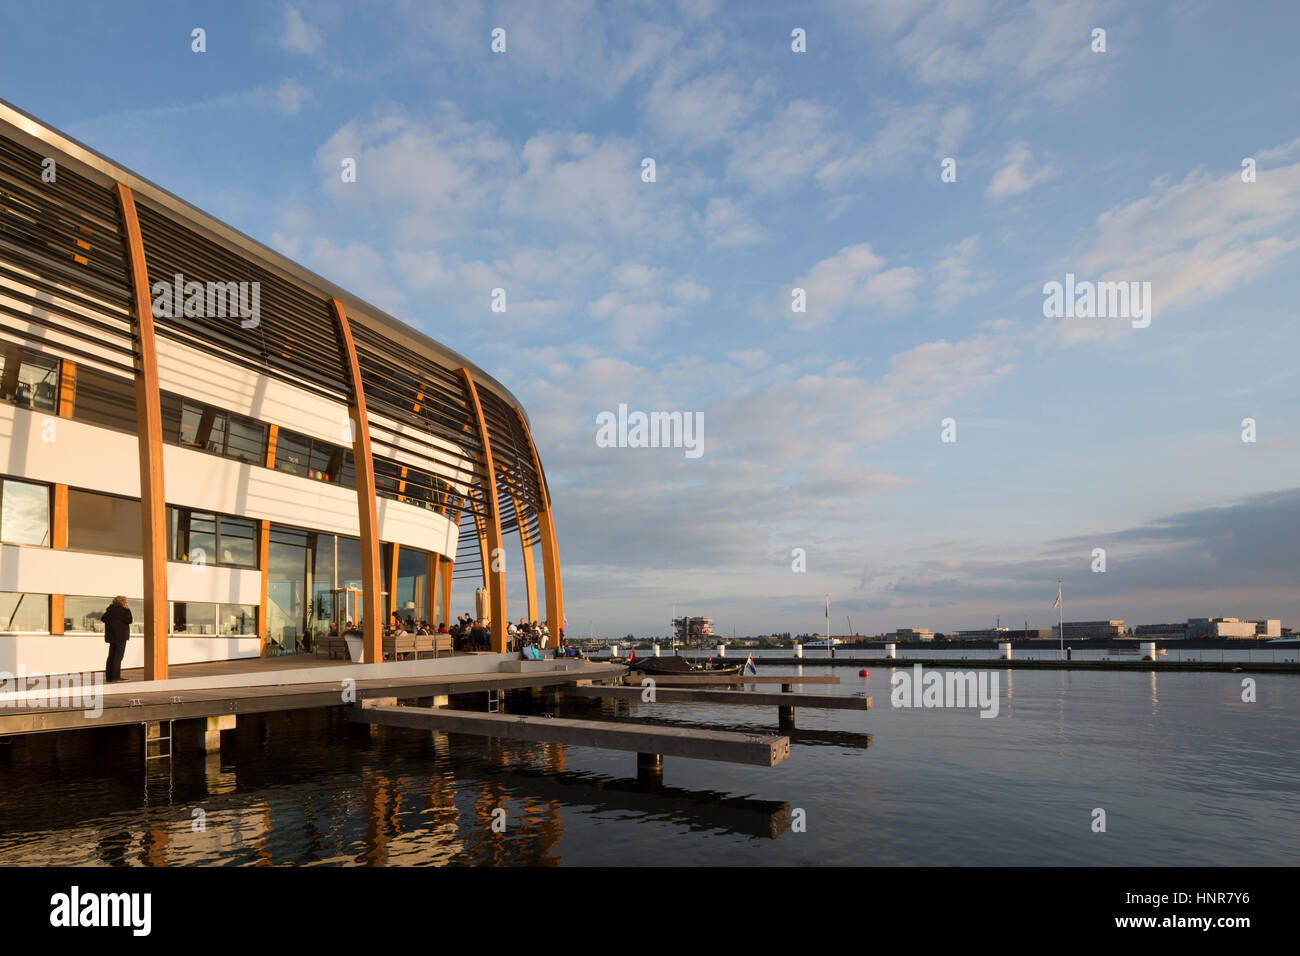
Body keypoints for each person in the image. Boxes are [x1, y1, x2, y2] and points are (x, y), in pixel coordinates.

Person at [101, 595, 133, 682]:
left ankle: (109, 677)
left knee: (111, 656)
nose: (126, 603)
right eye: (125, 602)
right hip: (121, 637)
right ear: (122, 603)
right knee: (118, 657)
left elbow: (103, 618)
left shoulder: (110, 610)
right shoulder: (123, 610)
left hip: (112, 637)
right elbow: (129, 620)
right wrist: (127, 609)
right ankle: (116, 677)